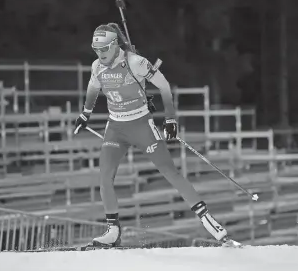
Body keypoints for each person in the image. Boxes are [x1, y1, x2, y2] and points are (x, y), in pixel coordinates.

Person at [74, 22, 241, 248]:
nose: (100, 54)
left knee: (169, 171)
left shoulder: (136, 62)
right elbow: (92, 90)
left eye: (104, 49)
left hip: (141, 125)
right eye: (97, 50)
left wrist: (170, 118)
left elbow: (163, 86)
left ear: (115, 45)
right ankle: (113, 230)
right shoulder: (97, 67)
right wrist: (85, 114)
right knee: (104, 175)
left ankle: (208, 219)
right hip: (115, 127)